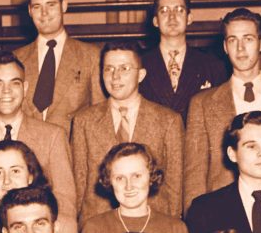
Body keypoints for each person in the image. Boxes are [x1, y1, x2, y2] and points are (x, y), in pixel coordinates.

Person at [184, 8, 261, 208]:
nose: (240, 49)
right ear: (225, 46)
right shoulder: (202, 104)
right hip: (222, 213)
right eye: (233, 40)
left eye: (248, 39)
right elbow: (194, 176)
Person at [0, 50, 77, 220]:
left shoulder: (53, 137)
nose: (6, 91)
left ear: (25, 88)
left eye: (14, 83)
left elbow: (65, 204)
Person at [72, 41, 184, 222]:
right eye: (109, 69)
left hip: (151, 224)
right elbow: (78, 182)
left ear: (141, 75)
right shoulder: (83, 121)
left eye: (124, 68)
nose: (115, 77)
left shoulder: (168, 121)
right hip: (98, 224)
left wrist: (168, 226)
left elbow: (174, 186)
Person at [14, 0, 104, 133]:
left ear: (63, 6)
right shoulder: (16, 59)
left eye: (51, 5)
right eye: (37, 6)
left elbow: (100, 118)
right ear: (29, 11)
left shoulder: (92, 56)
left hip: (72, 152)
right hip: (27, 153)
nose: (44, 13)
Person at [139, 0, 228, 117]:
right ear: (155, 21)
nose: (172, 17)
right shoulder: (140, 63)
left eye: (179, 10)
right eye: (164, 11)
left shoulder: (212, 65)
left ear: (189, 18)